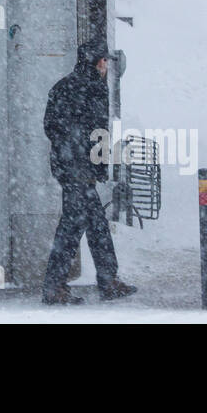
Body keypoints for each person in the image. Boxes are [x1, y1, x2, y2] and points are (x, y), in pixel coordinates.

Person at [42, 41, 137, 305]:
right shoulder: (93, 87)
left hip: (68, 166)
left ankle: (107, 279)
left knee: (96, 223)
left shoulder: (63, 85)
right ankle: (55, 287)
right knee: (72, 227)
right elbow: (97, 133)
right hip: (79, 169)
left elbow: (50, 127)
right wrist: (95, 164)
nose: (107, 66)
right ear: (97, 62)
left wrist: (67, 148)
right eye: (105, 61)